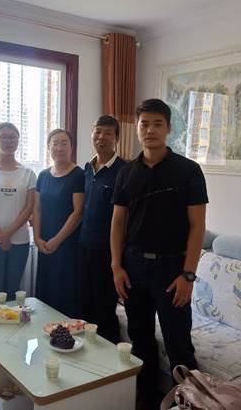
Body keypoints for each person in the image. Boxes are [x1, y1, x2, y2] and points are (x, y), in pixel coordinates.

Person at [110, 99, 208, 409]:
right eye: (144, 124)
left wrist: (188, 275)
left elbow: (197, 226)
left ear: (168, 128)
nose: (150, 130)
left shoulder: (188, 171)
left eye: (157, 124)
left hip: (172, 270)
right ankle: (147, 397)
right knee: (139, 338)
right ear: (137, 128)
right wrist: (116, 267)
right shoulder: (126, 172)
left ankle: (190, 402)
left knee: (179, 343)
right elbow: (118, 223)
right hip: (134, 267)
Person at [78, 115, 126, 343]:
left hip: (108, 251)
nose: (101, 137)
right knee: (84, 303)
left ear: (116, 138)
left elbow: (125, 219)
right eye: (98, 132)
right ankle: (85, 351)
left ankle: (108, 356)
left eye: (108, 133)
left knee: (104, 307)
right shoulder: (87, 168)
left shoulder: (124, 170)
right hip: (83, 246)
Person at [0, 122, 36, 300]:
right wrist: (0, 235)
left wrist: (7, 234)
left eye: (13, 137)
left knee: (13, 290)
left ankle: (10, 320)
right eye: (3, 137)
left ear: (18, 140)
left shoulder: (28, 174)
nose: (8, 141)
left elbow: (29, 208)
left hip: (19, 240)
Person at [33, 129, 84, 317]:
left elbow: (78, 212)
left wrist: (57, 240)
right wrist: (37, 237)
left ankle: (64, 332)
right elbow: (37, 208)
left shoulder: (78, 175)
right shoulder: (43, 175)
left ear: (71, 147)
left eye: (64, 143)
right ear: (48, 147)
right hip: (44, 243)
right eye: (55, 143)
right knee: (45, 293)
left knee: (64, 293)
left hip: (67, 245)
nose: (59, 147)